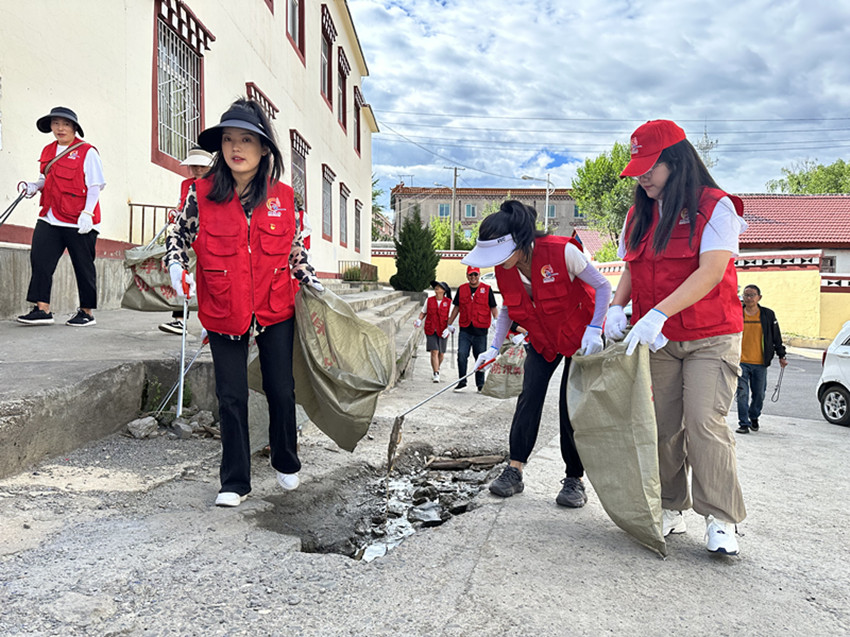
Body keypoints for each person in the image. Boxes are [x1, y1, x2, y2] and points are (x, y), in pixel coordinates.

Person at [165, 99, 323, 507]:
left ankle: (286, 459)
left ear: (264, 148)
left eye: (246, 140)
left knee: (281, 389)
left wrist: (308, 276)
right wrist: (175, 265)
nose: (236, 148)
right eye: (229, 140)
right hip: (223, 305)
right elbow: (178, 236)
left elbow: (294, 247)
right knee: (231, 395)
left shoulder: (285, 197)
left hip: (275, 304)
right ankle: (235, 481)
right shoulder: (201, 193)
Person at [605, 119, 748, 555]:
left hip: (710, 335)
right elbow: (632, 267)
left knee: (704, 422)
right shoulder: (638, 214)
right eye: (638, 170)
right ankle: (670, 505)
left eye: (651, 168)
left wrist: (659, 312)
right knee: (662, 426)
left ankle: (720, 517)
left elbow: (711, 271)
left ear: (677, 161)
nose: (643, 178)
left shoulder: (715, 207)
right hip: (660, 340)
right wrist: (616, 307)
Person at [463, 200, 611, 508]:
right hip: (543, 340)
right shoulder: (504, 267)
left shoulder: (562, 252)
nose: (494, 262)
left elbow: (603, 286)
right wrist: (494, 347)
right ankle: (514, 469)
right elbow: (509, 307)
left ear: (518, 242)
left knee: (569, 406)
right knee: (528, 397)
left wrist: (595, 328)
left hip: (579, 338)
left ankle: (574, 479)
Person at [16, 106, 105, 327]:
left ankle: (86, 312)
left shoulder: (87, 151)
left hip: (78, 219)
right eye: (55, 123)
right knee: (40, 260)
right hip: (50, 216)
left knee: (83, 266)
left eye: (65, 124)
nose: (60, 128)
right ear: (50, 127)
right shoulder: (48, 150)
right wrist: (33, 186)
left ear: (74, 128)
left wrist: (87, 213)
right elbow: (44, 178)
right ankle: (42, 309)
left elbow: (95, 185)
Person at [159, 146, 215, 335]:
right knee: (182, 274)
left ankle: (211, 323)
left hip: (210, 237)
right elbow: (182, 205)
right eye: (194, 166)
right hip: (188, 237)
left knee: (210, 279)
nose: (198, 169)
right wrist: (176, 212)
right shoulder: (187, 184)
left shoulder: (218, 184)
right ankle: (180, 319)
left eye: (202, 166)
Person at [736, 284, 788, 434]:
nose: (748, 298)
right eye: (746, 295)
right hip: (740, 362)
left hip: (760, 362)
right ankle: (743, 423)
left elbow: (776, 336)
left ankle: (754, 416)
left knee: (759, 394)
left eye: (752, 295)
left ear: (759, 297)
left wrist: (781, 355)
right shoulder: (737, 313)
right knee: (742, 394)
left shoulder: (767, 314)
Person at [446, 266, 499, 393]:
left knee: (480, 357)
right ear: (467, 275)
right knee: (462, 354)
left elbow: (493, 307)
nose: (473, 277)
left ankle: (480, 384)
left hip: (480, 331)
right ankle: (462, 381)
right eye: (471, 275)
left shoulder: (487, 289)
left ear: (479, 275)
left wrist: (496, 320)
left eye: (475, 274)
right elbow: (457, 307)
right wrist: (449, 323)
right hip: (465, 329)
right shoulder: (462, 289)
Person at [413, 281, 453, 382]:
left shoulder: (449, 302)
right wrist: (419, 320)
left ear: (444, 290)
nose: (436, 288)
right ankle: (436, 373)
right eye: (436, 286)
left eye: (439, 287)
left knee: (441, 353)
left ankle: (437, 368)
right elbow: (423, 312)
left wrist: (448, 328)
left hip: (443, 330)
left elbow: (450, 318)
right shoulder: (429, 300)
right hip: (431, 328)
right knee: (434, 351)